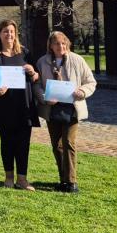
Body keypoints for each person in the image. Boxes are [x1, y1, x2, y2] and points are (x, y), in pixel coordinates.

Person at [34, 31, 97, 193]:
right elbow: (37, 85)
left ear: (67, 44)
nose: (60, 46)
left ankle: (71, 182)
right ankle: (63, 179)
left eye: (63, 43)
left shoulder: (77, 60)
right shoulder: (43, 62)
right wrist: (45, 97)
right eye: (56, 43)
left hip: (72, 108)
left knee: (69, 143)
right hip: (52, 108)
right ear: (50, 45)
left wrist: (81, 92)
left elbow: (91, 82)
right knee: (57, 145)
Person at [0, 19, 41, 191]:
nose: (9, 34)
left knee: (24, 143)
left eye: (11, 31)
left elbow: (36, 78)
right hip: (4, 105)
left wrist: (33, 72)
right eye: (5, 31)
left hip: (24, 105)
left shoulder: (25, 53)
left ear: (15, 34)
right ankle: (9, 176)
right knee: (7, 142)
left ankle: (22, 179)